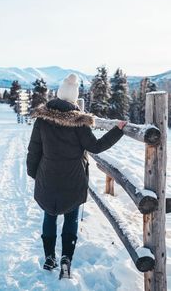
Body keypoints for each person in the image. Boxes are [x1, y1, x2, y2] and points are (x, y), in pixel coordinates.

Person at [26, 73, 126, 278]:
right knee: (71, 217)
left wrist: (34, 173)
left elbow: (33, 150)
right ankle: (66, 258)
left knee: (49, 214)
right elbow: (96, 147)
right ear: (74, 98)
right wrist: (117, 130)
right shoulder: (79, 123)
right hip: (73, 178)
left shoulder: (42, 120)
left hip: (48, 176)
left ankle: (49, 258)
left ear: (59, 94)